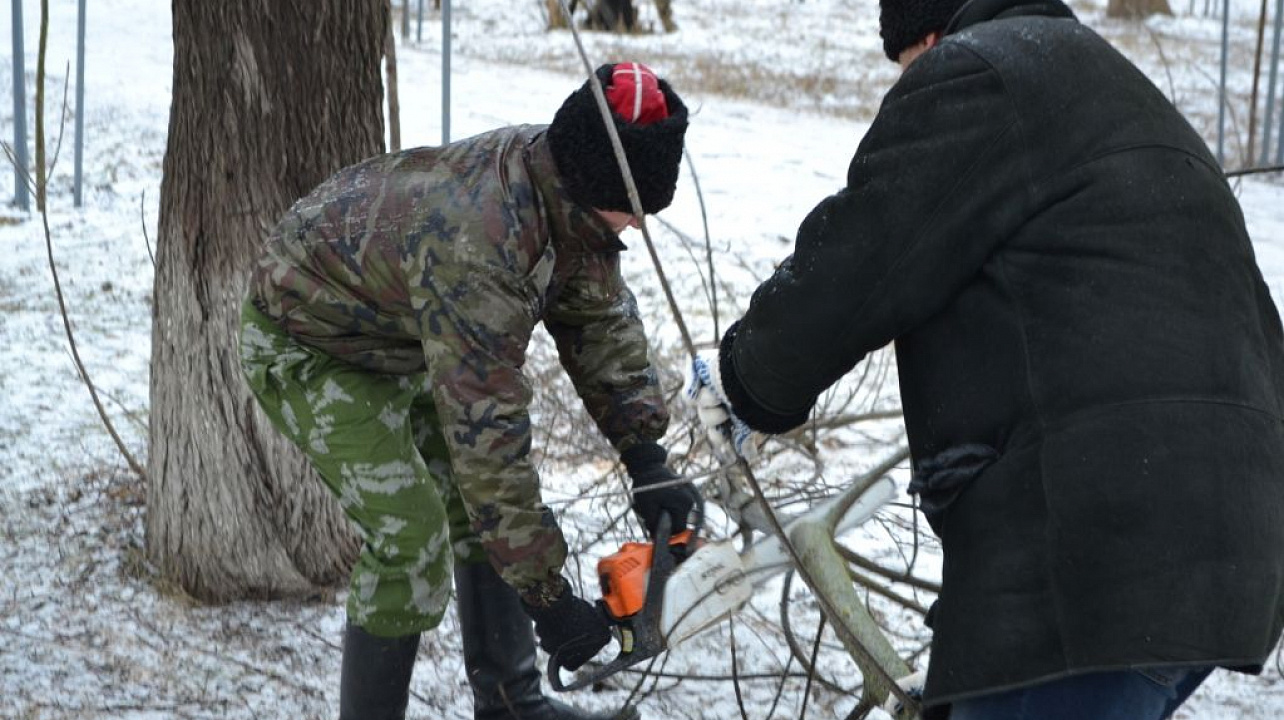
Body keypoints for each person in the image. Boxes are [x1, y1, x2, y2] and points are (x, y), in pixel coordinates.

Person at [684, 0, 1284, 717]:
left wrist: (744, 380)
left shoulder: (980, 73)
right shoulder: (1117, 92)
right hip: (1226, 537)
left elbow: (862, 258)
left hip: (1097, 552)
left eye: (906, 66)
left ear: (931, 36)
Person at [239, 62, 699, 720]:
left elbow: (599, 323)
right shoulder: (482, 241)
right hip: (309, 340)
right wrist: (549, 600)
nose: (637, 225)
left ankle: (512, 702)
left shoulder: (571, 194)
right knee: (412, 539)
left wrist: (644, 455)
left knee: (481, 510)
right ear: (593, 183)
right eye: (632, 209)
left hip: (403, 333)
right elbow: (490, 449)